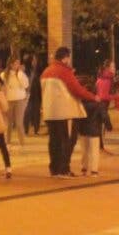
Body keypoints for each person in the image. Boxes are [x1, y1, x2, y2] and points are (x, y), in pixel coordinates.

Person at [40, 47, 97, 178]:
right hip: (65, 112)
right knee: (66, 141)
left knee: (53, 141)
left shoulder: (46, 71)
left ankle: (54, 169)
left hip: (50, 112)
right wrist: (93, 97)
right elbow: (76, 89)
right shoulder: (64, 72)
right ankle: (63, 169)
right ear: (65, 58)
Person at [77, 82, 105, 176]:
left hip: (83, 130)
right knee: (94, 151)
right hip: (95, 130)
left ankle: (84, 169)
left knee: (84, 151)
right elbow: (104, 115)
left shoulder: (80, 103)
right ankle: (94, 171)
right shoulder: (98, 103)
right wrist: (108, 125)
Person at [1, 57, 30, 147]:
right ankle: (7, 142)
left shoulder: (20, 74)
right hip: (8, 100)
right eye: (16, 63)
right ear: (11, 64)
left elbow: (26, 85)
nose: (18, 65)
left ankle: (22, 143)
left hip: (20, 99)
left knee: (18, 122)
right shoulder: (4, 75)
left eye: (18, 63)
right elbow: (3, 87)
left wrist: (20, 73)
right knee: (8, 123)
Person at [25, 54, 43, 136]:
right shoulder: (26, 71)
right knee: (27, 112)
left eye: (36, 60)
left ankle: (36, 130)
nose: (34, 62)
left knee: (36, 112)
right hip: (27, 94)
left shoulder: (39, 70)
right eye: (33, 60)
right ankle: (26, 130)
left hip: (37, 94)